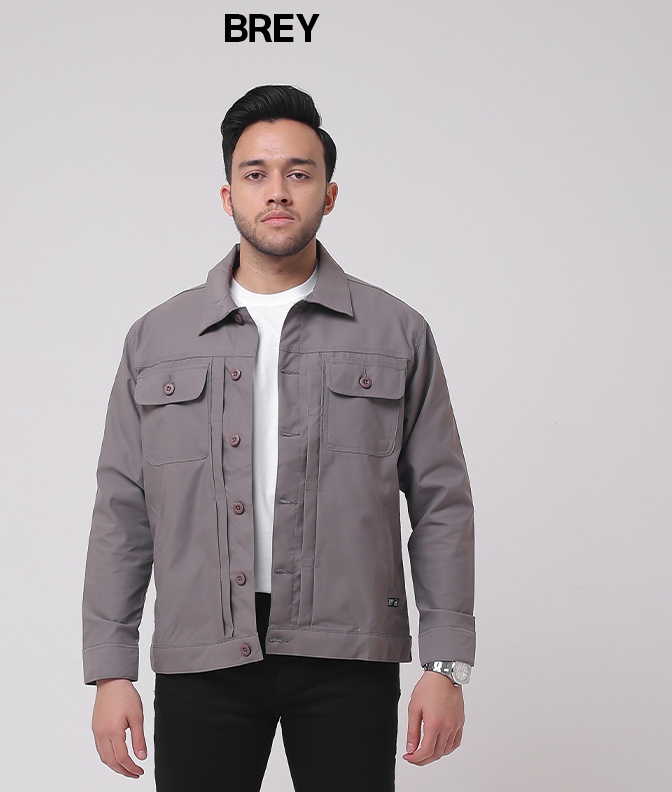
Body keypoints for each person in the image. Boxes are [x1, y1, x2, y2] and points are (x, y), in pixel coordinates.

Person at [82, 84, 475, 791]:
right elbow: (123, 509)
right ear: (227, 195)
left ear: (329, 194)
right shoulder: (158, 339)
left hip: (348, 652)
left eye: (299, 173)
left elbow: (441, 502)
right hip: (202, 654)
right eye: (255, 173)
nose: (278, 192)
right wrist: (113, 670)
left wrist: (445, 666)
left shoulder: (396, 332)